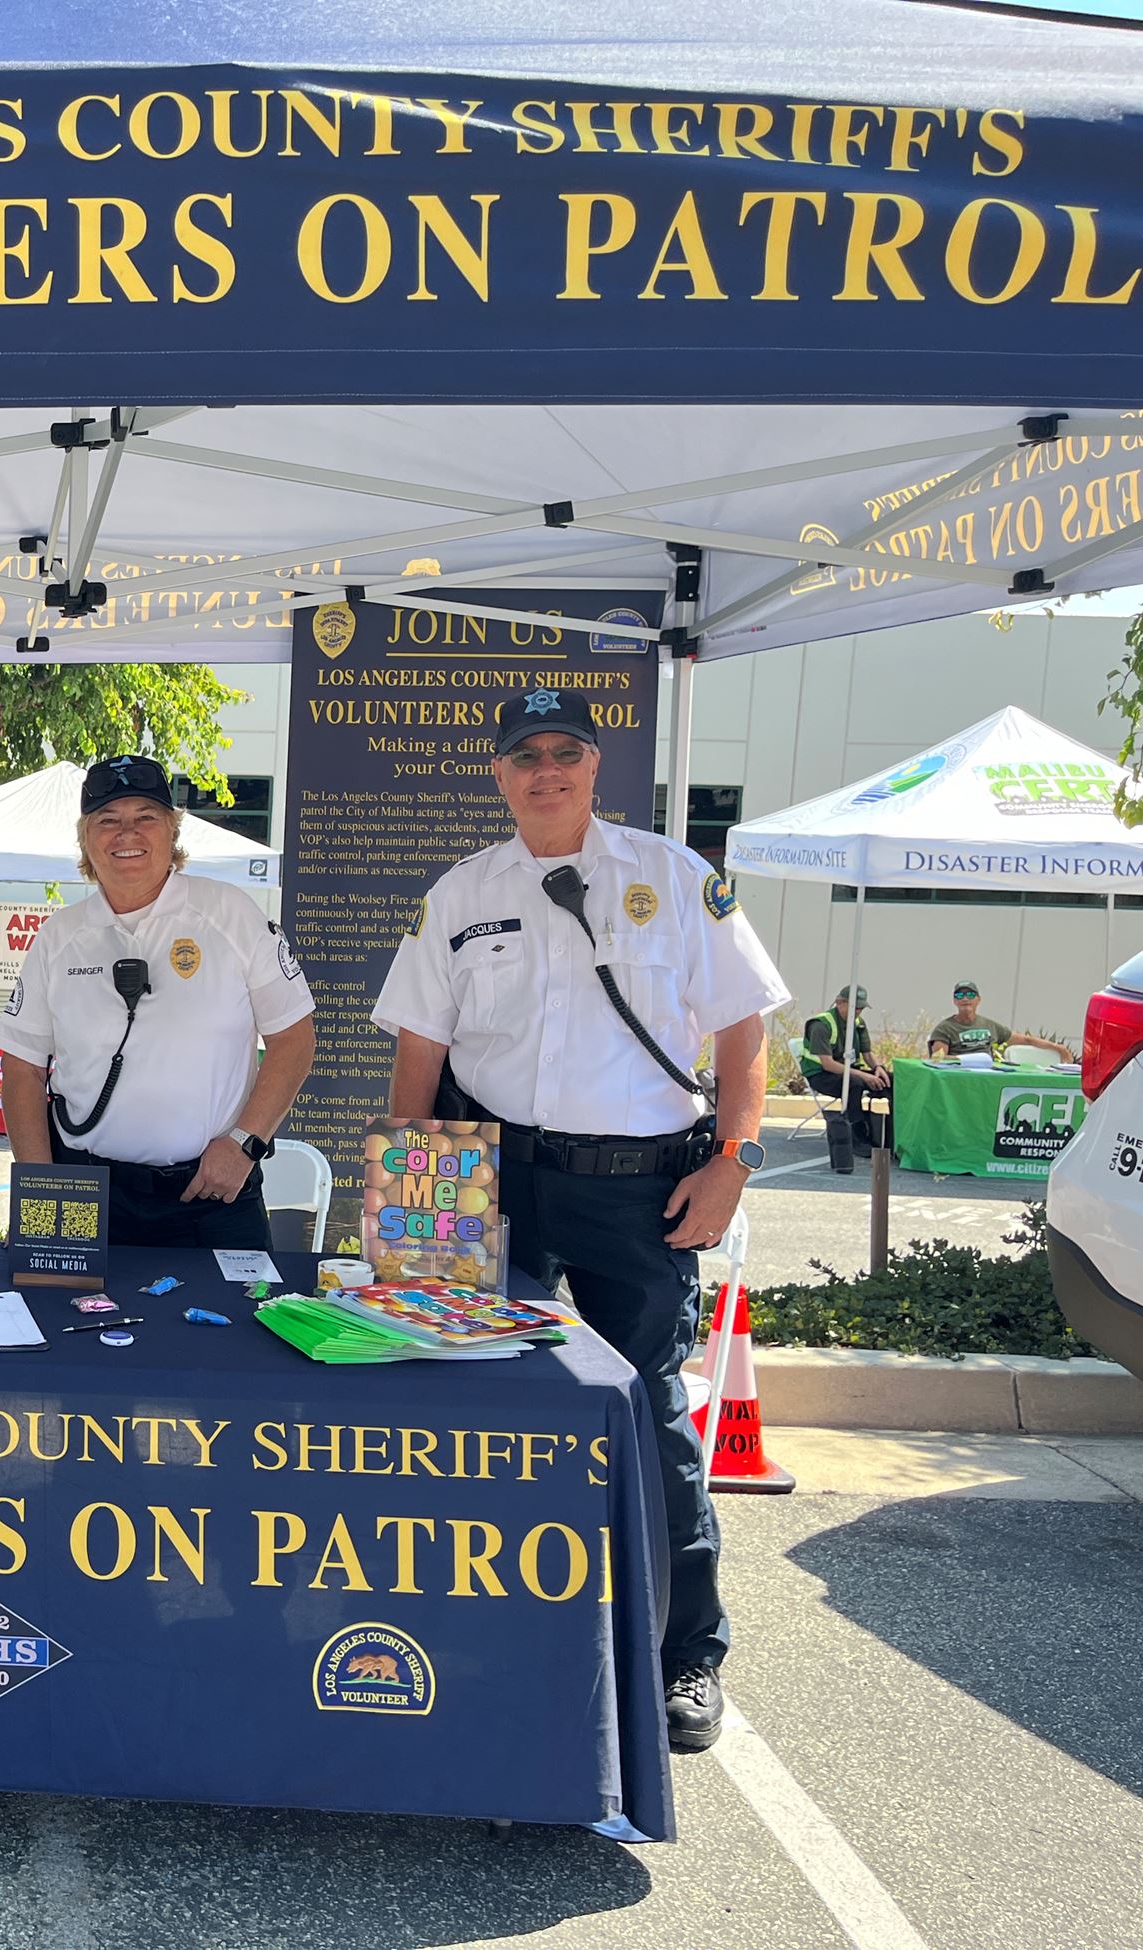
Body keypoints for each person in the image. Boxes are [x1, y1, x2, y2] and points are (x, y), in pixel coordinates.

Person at [373, 688, 788, 1755]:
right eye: (524, 755)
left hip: (636, 1190)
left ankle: (683, 1655)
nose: (544, 771)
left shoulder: (673, 879)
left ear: (593, 765)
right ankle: (483, 1629)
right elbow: (417, 1058)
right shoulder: (459, 894)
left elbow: (742, 1035)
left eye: (563, 752)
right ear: (498, 775)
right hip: (491, 1179)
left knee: (647, 1414)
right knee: (467, 1403)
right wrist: (414, 1205)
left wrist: (731, 1165)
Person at [0, 755, 317, 1251]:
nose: (127, 834)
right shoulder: (58, 937)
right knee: (62, 1324)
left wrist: (244, 1145)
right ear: (86, 840)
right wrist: (43, 1188)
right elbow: (20, 1067)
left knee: (232, 1328)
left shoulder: (230, 914)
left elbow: (294, 1039)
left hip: (212, 1194)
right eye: (108, 820)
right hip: (85, 1194)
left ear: (172, 830)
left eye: (145, 817)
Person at [802, 984, 893, 1174]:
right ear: (839, 1003)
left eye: (860, 1008)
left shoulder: (858, 1023)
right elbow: (828, 1064)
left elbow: (867, 1053)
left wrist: (877, 1069)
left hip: (849, 1069)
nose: (857, 1012)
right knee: (855, 1084)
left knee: (890, 1081)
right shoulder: (821, 1025)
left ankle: (892, 1135)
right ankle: (856, 1135)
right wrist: (865, 1076)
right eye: (854, 1007)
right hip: (821, 1074)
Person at [929, 981, 1074, 1062]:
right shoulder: (945, 1029)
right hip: (958, 1076)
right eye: (960, 995)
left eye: (970, 995)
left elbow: (1026, 1040)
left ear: (978, 1000)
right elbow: (938, 1059)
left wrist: (1058, 1048)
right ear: (954, 1001)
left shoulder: (989, 1025)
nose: (965, 999)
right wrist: (968, 1061)